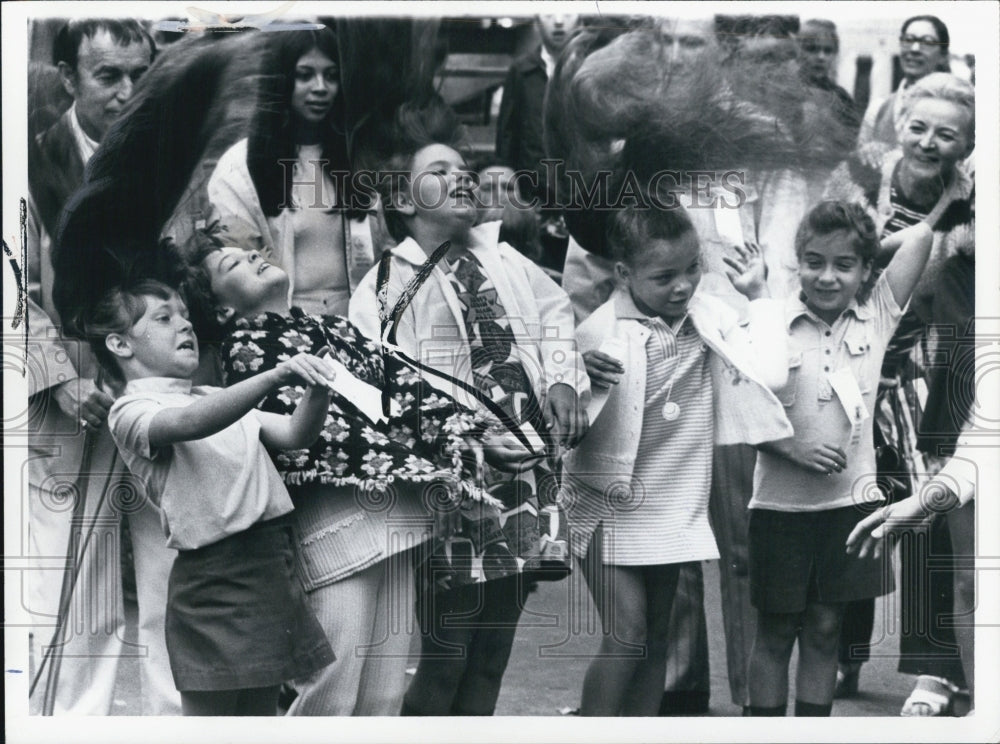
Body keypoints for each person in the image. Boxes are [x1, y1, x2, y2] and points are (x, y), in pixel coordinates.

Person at [184, 234, 534, 715]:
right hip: (332, 521)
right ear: (220, 310)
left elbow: (404, 386)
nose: (253, 257)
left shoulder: (333, 327)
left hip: (390, 513)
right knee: (333, 681)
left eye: (251, 252)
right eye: (233, 265)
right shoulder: (242, 350)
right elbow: (310, 431)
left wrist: (474, 433)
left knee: (383, 691)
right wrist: (417, 460)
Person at [349, 115, 590, 715]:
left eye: (464, 170)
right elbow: (389, 387)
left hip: (523, 476)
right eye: (440, 171)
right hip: (456, 484)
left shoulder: (501, 258)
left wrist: (562, 378)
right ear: (404, 199)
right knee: (446, 655)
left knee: (490, 657)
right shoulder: (383, 286)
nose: (461, 177)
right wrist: (474, 437)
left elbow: (555, 311)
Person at [563, 201, 793, 716]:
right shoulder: (598, 335)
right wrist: (575, 376)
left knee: (657, 637)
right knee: (627, 633)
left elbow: (772, 372)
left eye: (693, 268)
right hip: (604, 500)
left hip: (673, 498)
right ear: (624, 273)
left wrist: (759, 295)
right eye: (664, 276)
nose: (683, 286)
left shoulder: (707, 316)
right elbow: (564, 418)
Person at [88, 279, 336, 715]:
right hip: (214, 580)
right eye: (164, 318)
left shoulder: (214, 395)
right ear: (119, 344)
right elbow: (187, 424)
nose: (185, 325)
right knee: (211, 727)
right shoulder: (129, 410)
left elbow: (296, 434)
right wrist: (275, 375)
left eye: (185, 315)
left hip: (270, 568)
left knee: (259, 719)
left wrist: (319, 389)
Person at [24, 18, 178, 716]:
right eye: (107, 76)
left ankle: (182, 725)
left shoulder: (171, 163)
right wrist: (61, 376)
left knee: (175, 577)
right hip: (71, 391)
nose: (126, 92)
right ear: (66, 78)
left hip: (162, 391)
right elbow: (13, 292)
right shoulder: (26, 165)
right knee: (76, 587)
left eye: (138, 75)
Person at [746, 205, 934, 717]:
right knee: (776, 630)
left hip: (850, 507)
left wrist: (869, 246)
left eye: (844, 265)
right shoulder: (769, 317)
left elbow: (919, 235)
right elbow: (739, 411)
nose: (827, 276)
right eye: (814, 261)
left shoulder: (878, 315)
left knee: (827, 626)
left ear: (865, 270)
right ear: (796, 264)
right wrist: (792, 448)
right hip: (779, 507)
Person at [824, 73, 974, 712]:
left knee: (922, 517)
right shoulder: (858, 175)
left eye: (948, 133)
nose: (929, 141)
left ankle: (933, 671)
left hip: (927, 373)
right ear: (899, 123)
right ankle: (840, 656)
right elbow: (829, 252)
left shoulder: (976, 202)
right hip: (848, 362)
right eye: (919, 126)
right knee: (848, 509)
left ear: (967, 144)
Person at [207, 28, 375, 319]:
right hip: (285, 325)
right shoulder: (240, 166)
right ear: (281, 80)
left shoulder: (358, 157)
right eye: (305, 75)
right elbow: (234, 273)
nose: (321, 87)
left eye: (331, 76)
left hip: (361, 320)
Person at [496, 14, 582, 270]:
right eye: (549, 14)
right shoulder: (522, 71)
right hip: (532, 198)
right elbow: (506, 137)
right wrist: (513, 201)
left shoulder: (589, 70)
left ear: (579, 22)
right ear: (536, 23)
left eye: (567, 14)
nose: (558, 22)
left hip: (580, 198)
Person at [856, 15, 951, 159]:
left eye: (927, 42)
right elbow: (859, 161)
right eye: (908, 40)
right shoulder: (878, 108)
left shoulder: (952, 110)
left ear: (943, 55)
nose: (915, 49)